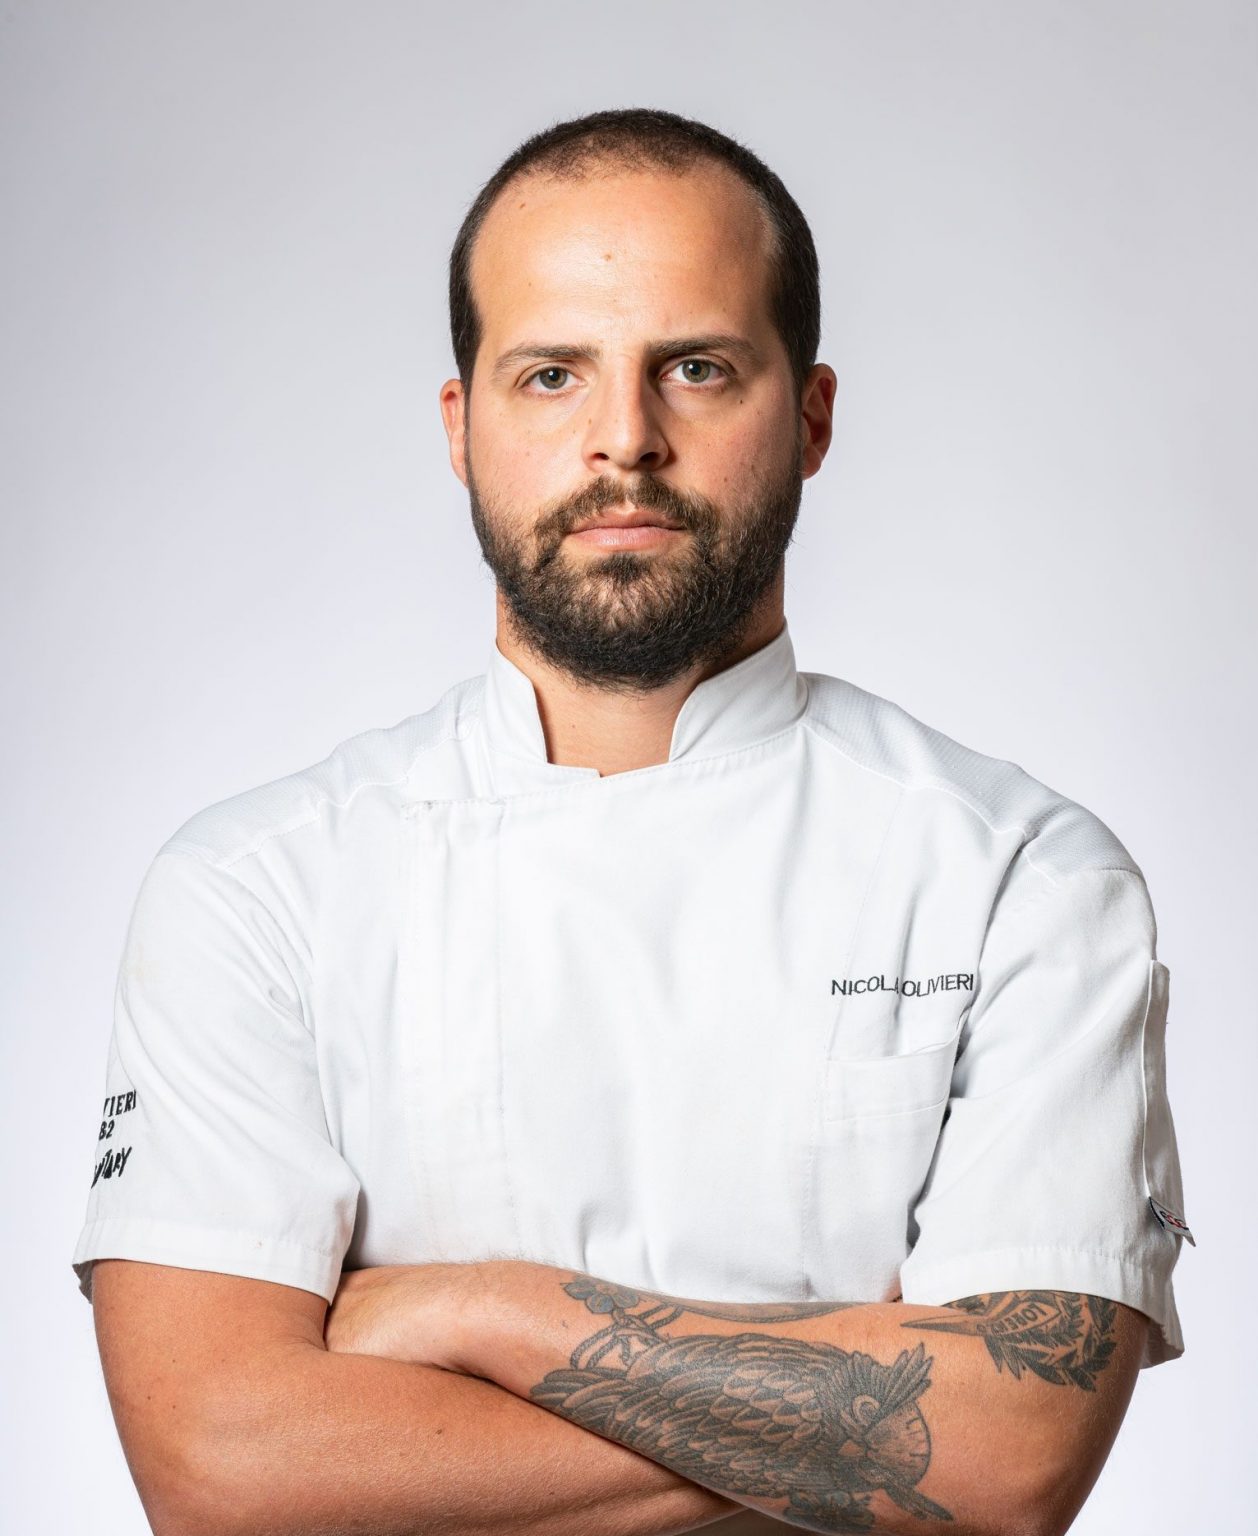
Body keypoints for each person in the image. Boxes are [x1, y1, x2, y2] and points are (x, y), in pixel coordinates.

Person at [74, 108, 1192, 1536]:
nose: (623, 441)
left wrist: (472, 1308)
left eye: (699, 369)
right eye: (550, 376)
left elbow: (1012, 1461)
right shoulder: (256, 888)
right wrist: (858, 1415)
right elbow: (220, 1467)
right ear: (460, 426)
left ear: (809, 415)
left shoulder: (1018, 876)